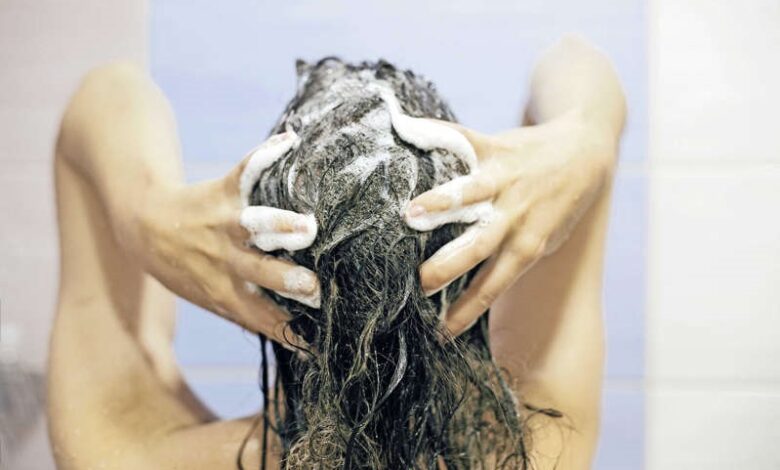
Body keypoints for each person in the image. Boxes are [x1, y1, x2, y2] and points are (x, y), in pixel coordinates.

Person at [47, 35, 625, 469]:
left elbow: (109, 92)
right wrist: (586, 138)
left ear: (266, 278)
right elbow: (578, 60)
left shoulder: (130, 455)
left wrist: (145, 212)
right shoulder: (541, 448)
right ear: (475, 260)